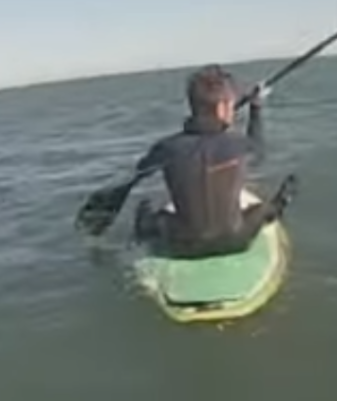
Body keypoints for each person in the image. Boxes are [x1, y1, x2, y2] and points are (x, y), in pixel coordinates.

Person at [128, 64, 299, 257]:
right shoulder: (239, 144)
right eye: (231, 104)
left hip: (183, 245)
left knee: (147, 211)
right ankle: (279, 204)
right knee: (263, 209)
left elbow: (142, 170)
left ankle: (143, 231)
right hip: (238, 241)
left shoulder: (167, 148)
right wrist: (256, 107)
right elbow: (258, 152)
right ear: (221, 107)